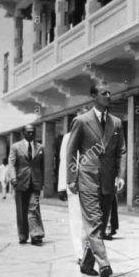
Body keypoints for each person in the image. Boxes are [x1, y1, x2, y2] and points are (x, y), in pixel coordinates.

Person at [66, 81, 126, 277]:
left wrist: (121, 175)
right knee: (93, 223)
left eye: (110, 92)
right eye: (104, 93)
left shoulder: (116, 123)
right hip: (87, 179)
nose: (108, 95)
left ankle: (86, 263)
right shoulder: (81, 121)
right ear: (94, 96)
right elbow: (71, 151)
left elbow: (121, 152)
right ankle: (104, 264)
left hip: (108, 180)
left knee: (100, 225)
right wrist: (71, 178)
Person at [58, 107, 90, 263]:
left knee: (90, 221)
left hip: (91, 185)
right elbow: (64, 161)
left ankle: (88, 251)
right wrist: (62, 186)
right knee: (76, 221)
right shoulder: (68, 138)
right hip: (74, 185)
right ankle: (80, 253)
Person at [9, 124, 45, 246]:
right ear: (23, 133)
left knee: (33, 207)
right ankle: (23, 235)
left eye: (33, 132)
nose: (31, 134)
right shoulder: (15, 147)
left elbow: (42, 166)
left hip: (35, 182)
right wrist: (13, 178)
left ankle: (36, 235)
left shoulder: (40, 147)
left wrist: (43, 181)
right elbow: (12, 164)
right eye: (28, 132)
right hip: (20, 182)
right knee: (21, 210)